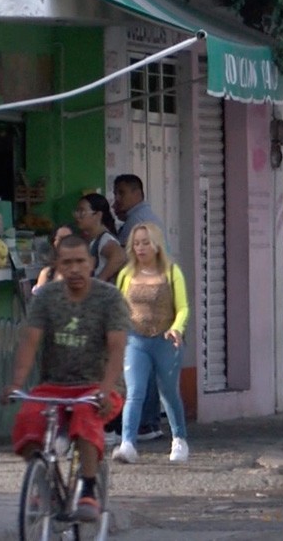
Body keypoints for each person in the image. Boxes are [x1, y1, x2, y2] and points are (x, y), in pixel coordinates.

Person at [0, 234, 128, 523]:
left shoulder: (109, 298)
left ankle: (89, 490)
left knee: (85, 417)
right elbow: (30, 341)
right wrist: (17, 384)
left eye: (80, 262)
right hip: (54, 385)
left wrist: (106, 390)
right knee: (28, 418)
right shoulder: (47, 297)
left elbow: (117, 348)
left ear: (91, 263)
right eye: (67, 262)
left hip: (98, 387)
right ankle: (43, 484)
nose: (74, 269)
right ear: (58, 264)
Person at [112, 222, 191, 465]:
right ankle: (128, 443)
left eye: (146, 242)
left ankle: (179, 438)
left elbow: (183, 307)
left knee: (168, 391)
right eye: (136, 243)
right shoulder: (126, 274)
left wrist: (177, 329)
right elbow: (118, 306)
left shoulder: (171, 271)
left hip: (165, 339)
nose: (141, 248)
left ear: (156, 245)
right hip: (135, 339)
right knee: (135, 392)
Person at [111, 174, 165, 442]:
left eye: (121, 193)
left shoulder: (137, 223)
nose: (117, 200)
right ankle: (148, 420)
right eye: (115, 193)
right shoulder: (142, 220)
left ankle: (146, 421)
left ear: (137, 193)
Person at [74, 193, 126, 283]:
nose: (77, 216)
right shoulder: (90, 239)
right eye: (77, 211)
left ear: (98, 215)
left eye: (82, 212)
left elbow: (120, 256)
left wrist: (101, 279)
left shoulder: (105, 240)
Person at [33, 224, 76, 293]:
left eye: (68, 239)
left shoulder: (84, 272)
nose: (64, 243)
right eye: (60, 239)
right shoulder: (47, 274)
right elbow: (37, 301)